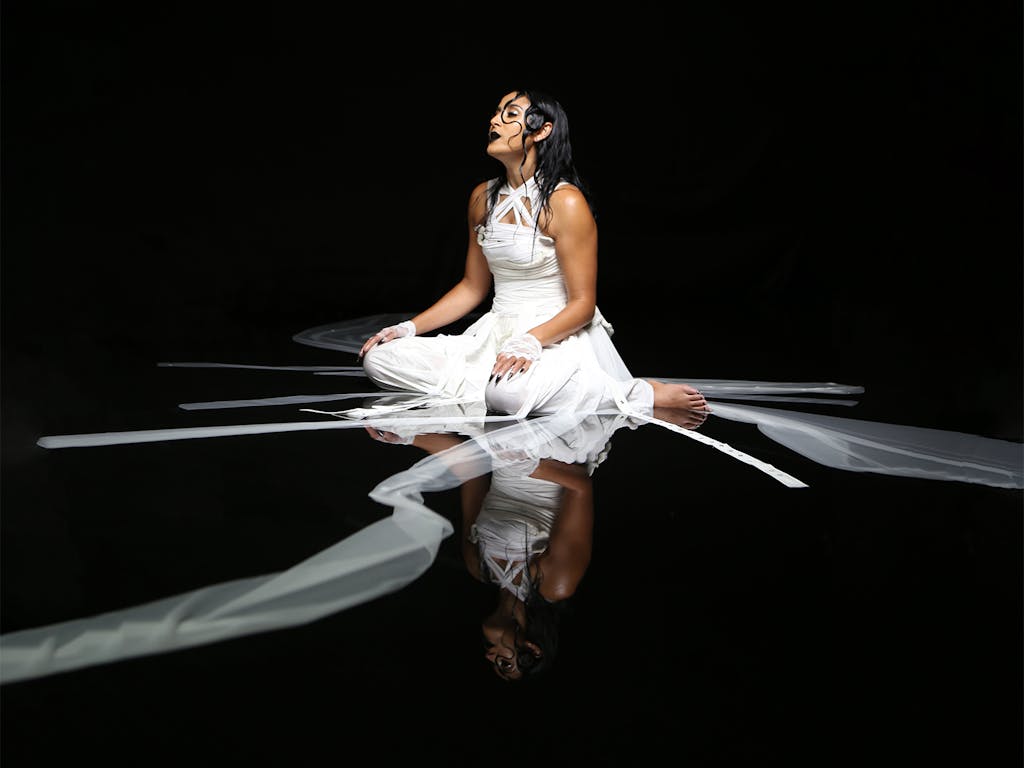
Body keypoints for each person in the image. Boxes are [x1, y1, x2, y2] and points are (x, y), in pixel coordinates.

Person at [356, 88, 710, 422]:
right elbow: (472, 287)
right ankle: (505, 385)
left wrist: (530, 342)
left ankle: (637, 393)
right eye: (495, 113)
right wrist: (408, 327)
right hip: (494, 333)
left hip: (556, 335)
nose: (494, 122)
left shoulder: (565, 202)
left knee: (506, 397)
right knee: (378, 360)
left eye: (509, 115)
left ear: (541, 131)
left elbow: (583, 304)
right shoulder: (482, 196)